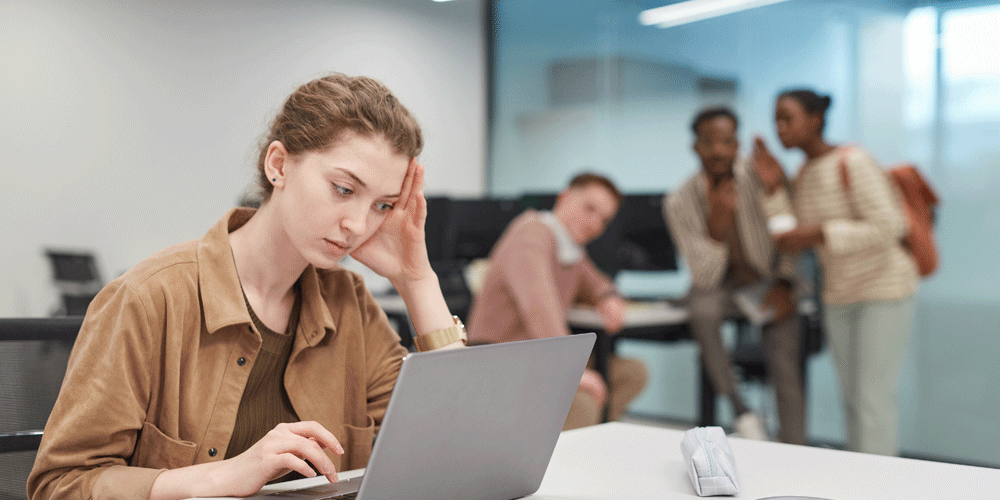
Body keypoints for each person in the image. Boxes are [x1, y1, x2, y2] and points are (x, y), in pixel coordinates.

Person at [27, 74, 467, 500]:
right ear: (278, 165)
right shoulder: (149, 299)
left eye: (381, 205)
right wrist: (224, 476)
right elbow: (60, 485)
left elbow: (456, 444)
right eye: (343, 188)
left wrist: (416, 280)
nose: (357, 224)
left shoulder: (348, 303)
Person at [755, 89, 918, 456]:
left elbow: (891, 226)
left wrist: (820, 232)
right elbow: (787, 236)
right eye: (776, 119)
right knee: (853, 399)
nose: (780, 127)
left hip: (883, 290)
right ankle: (860, 480)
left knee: (872, 400)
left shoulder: (853, 161)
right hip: (839, 295)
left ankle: (877, 489)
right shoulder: (806, 172)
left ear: (815, 120)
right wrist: (773, 189)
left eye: (788, 118)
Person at [664, 107, 806, 444]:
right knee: (701, 310)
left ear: (737, 144)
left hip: (768, 282)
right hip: (722, 287)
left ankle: (796, 447)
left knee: (785, 362)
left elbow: (791, 234)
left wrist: (785, 283)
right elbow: (703, 276)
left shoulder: (762, 176)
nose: (718, 151)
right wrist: (716, 227)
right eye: (708, 142)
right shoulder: (679, 202)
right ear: (695, 147)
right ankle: (742, 412)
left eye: (727, 141)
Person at [466, 173, 647, 430]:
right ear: (564, 198)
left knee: (632, 374)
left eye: (604, 219)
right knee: (583, 403)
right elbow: (539, 305)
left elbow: (596, 283)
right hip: (501, 361)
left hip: (538, 358)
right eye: (589, 208)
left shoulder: (572, 251)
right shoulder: (531, 233)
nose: (594, 223)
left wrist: (608, 297)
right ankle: (556, 456)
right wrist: (570, 370)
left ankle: (584, 443)